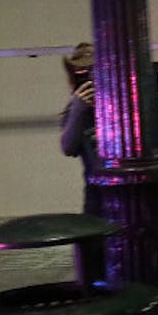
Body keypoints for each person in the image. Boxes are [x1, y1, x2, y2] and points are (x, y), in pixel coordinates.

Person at [58, 42, 104, 217]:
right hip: (95, 194)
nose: (88, 79)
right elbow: (67, 148)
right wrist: (77, 111)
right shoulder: (76, 108)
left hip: (126, 189)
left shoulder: (118, 100)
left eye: (91, 71)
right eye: (80, 73)